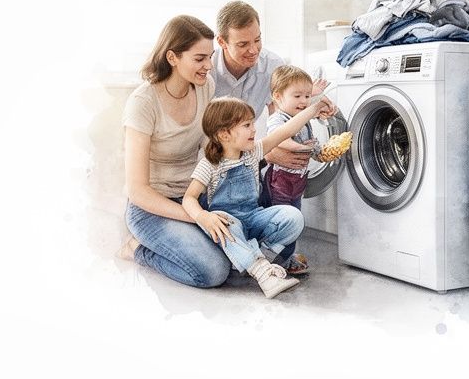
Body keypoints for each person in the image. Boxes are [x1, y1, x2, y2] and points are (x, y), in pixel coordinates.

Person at [117, 15, 233, 288]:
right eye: (199, 58)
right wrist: (198, 216)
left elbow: (210, 149)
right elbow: (137, 190)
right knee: (214, 271)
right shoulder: (143, 103)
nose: (209, 66)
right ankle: (137, 249)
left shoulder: (205, 87)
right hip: (151, 207)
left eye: (210, 57)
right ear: (172, 57)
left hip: (191, 197)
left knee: (241, 258)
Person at [180, 96, 331, 298]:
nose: (253, 129)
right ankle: (262, 272)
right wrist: (203, 217)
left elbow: (286, 130)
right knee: (227, 223)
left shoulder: (253, 152)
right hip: (228, 226)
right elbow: (189, 198)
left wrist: (315, 108)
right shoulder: (209, 164)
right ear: (224, 134)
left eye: (252, 124)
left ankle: (256, 257)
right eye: (247, 125)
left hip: (253, 218)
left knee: (294, 217)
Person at [211, 0, 332, 172]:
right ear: (222, 42)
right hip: (211, 157)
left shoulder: (272, 65)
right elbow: (204, 136)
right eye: (243, 44)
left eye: (257, 40)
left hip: (249, 156)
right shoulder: (207, 70)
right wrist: (265, 153)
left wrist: (316, 102)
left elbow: (280, 114)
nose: (253, 50)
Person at [258, 65, 326, 275]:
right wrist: (302, 148)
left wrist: (321, 152)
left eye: (307, 96)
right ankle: (273, 259)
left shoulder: (304, 121)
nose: (304, 101)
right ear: (278, 97)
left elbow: (311, 142)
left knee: (295, 220)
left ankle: (285, 258)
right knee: (282, 221)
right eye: (297, 96)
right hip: (279, 182)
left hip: (297, 183)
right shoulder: (278, 118)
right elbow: (279, 139)